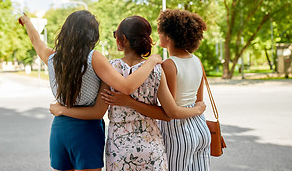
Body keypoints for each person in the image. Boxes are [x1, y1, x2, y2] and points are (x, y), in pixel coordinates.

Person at [49, 15, 206, 171]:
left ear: (122, 40)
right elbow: (167, 114)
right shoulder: (157, 69)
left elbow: (96, 106)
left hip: (120, 147)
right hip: (151, 144)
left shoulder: (110, 69)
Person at [18, 11, 162, 171]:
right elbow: (125, 87)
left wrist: (27, 22)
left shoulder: (53, 58)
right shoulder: (94, 57)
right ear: (92, 35)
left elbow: (36, 41)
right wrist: (152, 61)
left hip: (60, 130)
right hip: (86, 132)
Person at [105, 10, 211, 170]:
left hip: (179, 132)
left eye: (160, 31)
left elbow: (171, 111)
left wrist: (129, 102)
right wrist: (197, 109)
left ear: (168, 36)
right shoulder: (197, 61)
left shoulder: (168, 64)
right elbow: (199, 101)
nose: (157, 35)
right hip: (200, 128)